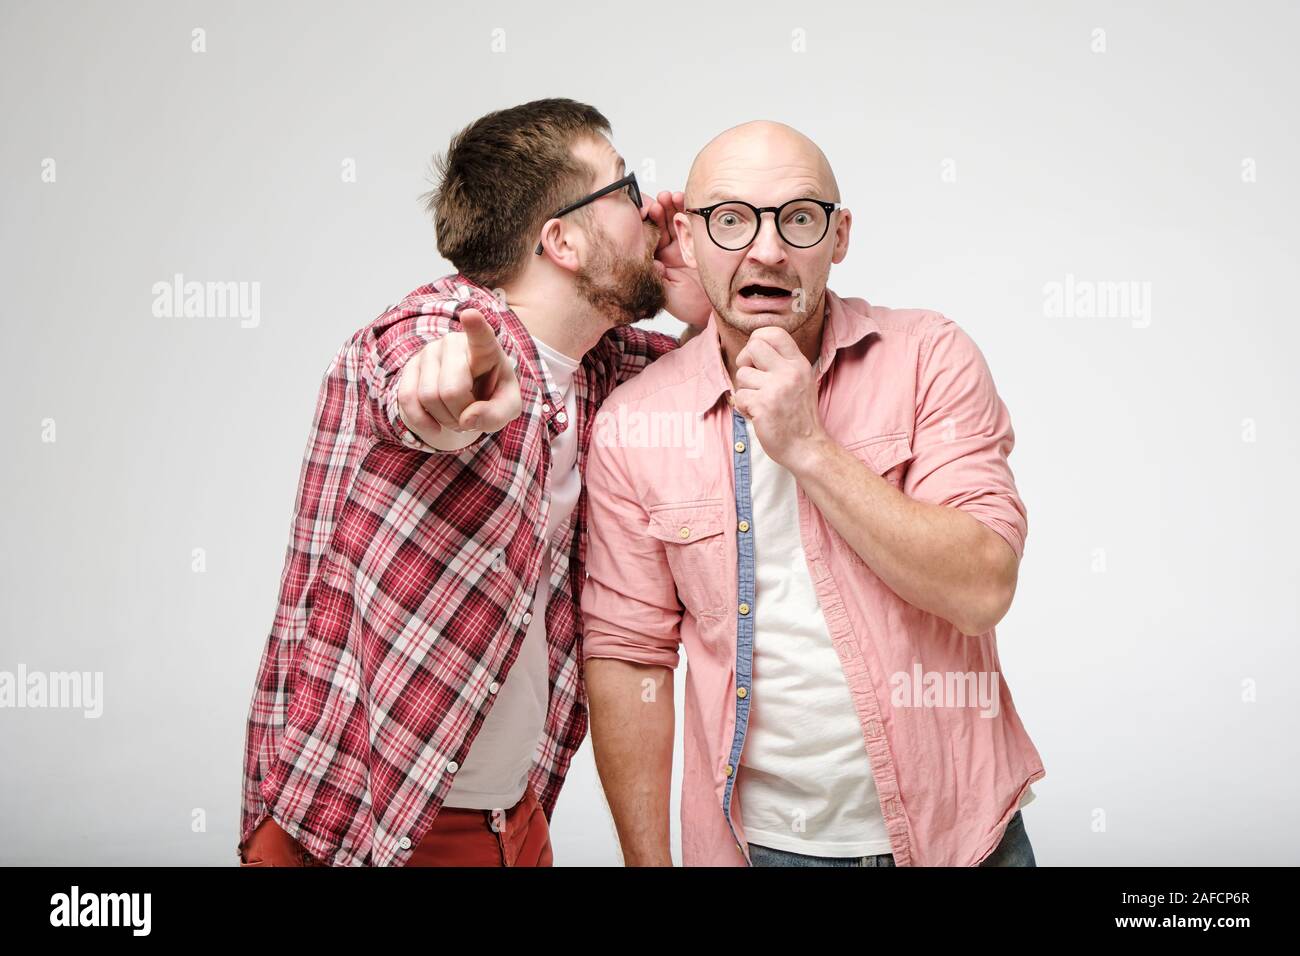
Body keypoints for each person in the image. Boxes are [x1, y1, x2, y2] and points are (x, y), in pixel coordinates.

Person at [237, 98, 709, 867]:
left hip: (513, 824)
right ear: (560, 240)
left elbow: (710, 380)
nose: (653, 213)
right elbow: (423, 372)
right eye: (625, 191)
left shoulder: (603, 370)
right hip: (368, 824)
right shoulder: (442, 331)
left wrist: (698, 292)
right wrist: (449, 392)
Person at [580, 120, 1046, 867]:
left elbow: (981, 585)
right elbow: (628, 654)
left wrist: (810, 448)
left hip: (961, 839)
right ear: (689, 242)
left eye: (798, 218)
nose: (767, 249)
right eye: (731, 220)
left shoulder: (929, 356)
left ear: (839, 237)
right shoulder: (638, 422)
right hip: (759, 849)